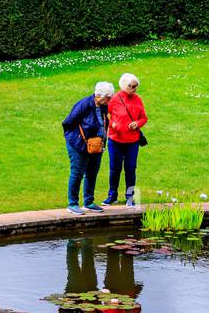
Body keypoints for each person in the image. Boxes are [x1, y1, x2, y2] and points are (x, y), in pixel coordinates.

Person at [61, 82, 114, 215]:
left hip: (96, 146)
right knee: (77, 173)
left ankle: (88, 202)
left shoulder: (103, 106)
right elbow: (68, 123)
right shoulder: (84, 105)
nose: (109, 100)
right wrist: (79, 140)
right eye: (108, 97)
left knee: (92, 173)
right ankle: (72, 203)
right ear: (98, 95)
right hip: (78, 145)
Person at [103, 72, 148, 208]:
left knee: (130, 169)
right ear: (123, 85)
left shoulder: (138, 99)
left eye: (135, 86)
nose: (134, 88)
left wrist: (137, 123)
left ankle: (130, 196)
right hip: (115, 140)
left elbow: (144, 117)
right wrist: (113, 124)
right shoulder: (115, 99)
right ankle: (112, 195)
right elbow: (106, 115)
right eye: (131, 86)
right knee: (114, 169)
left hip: (132, 142)